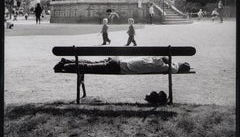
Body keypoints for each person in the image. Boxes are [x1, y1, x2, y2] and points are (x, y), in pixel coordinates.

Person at [53, 56, 191, 75]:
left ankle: (66, 61)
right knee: (89, 67)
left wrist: (173, 62)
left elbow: (171, 63)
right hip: (118, 67)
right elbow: (173, 68)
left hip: (118, 60)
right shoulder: (165, 67)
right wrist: (177, 66)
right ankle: (66, 66)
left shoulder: (155, 59)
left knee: (90, 63)